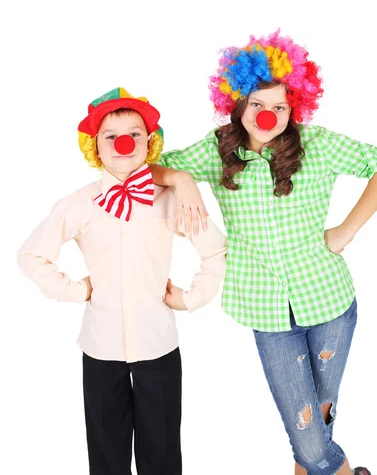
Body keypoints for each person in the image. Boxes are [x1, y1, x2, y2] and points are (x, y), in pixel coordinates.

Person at [150, 31, 377, 475]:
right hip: (266, 310)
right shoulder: (217, 150)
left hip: (330, 300)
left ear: (294, 106)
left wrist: (347, 230)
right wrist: (184, 180)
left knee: (319, 415)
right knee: (304, 427)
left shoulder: (318, 144)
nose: (267, 116)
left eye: (279, 107)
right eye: (257, 105)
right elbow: (148, 168)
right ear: (237, 104)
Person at [17, 87, 226, 475]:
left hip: (159, 345)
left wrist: (192, 297)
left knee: (162, 453)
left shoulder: (169, 198)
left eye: (133, 132)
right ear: (95, 145)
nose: (123, 142)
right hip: (100, 347)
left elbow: (215, 250)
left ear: (150, 142)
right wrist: (76, 290)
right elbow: (31, 255)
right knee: (106, 454)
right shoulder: (77, 204)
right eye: (110, 136)